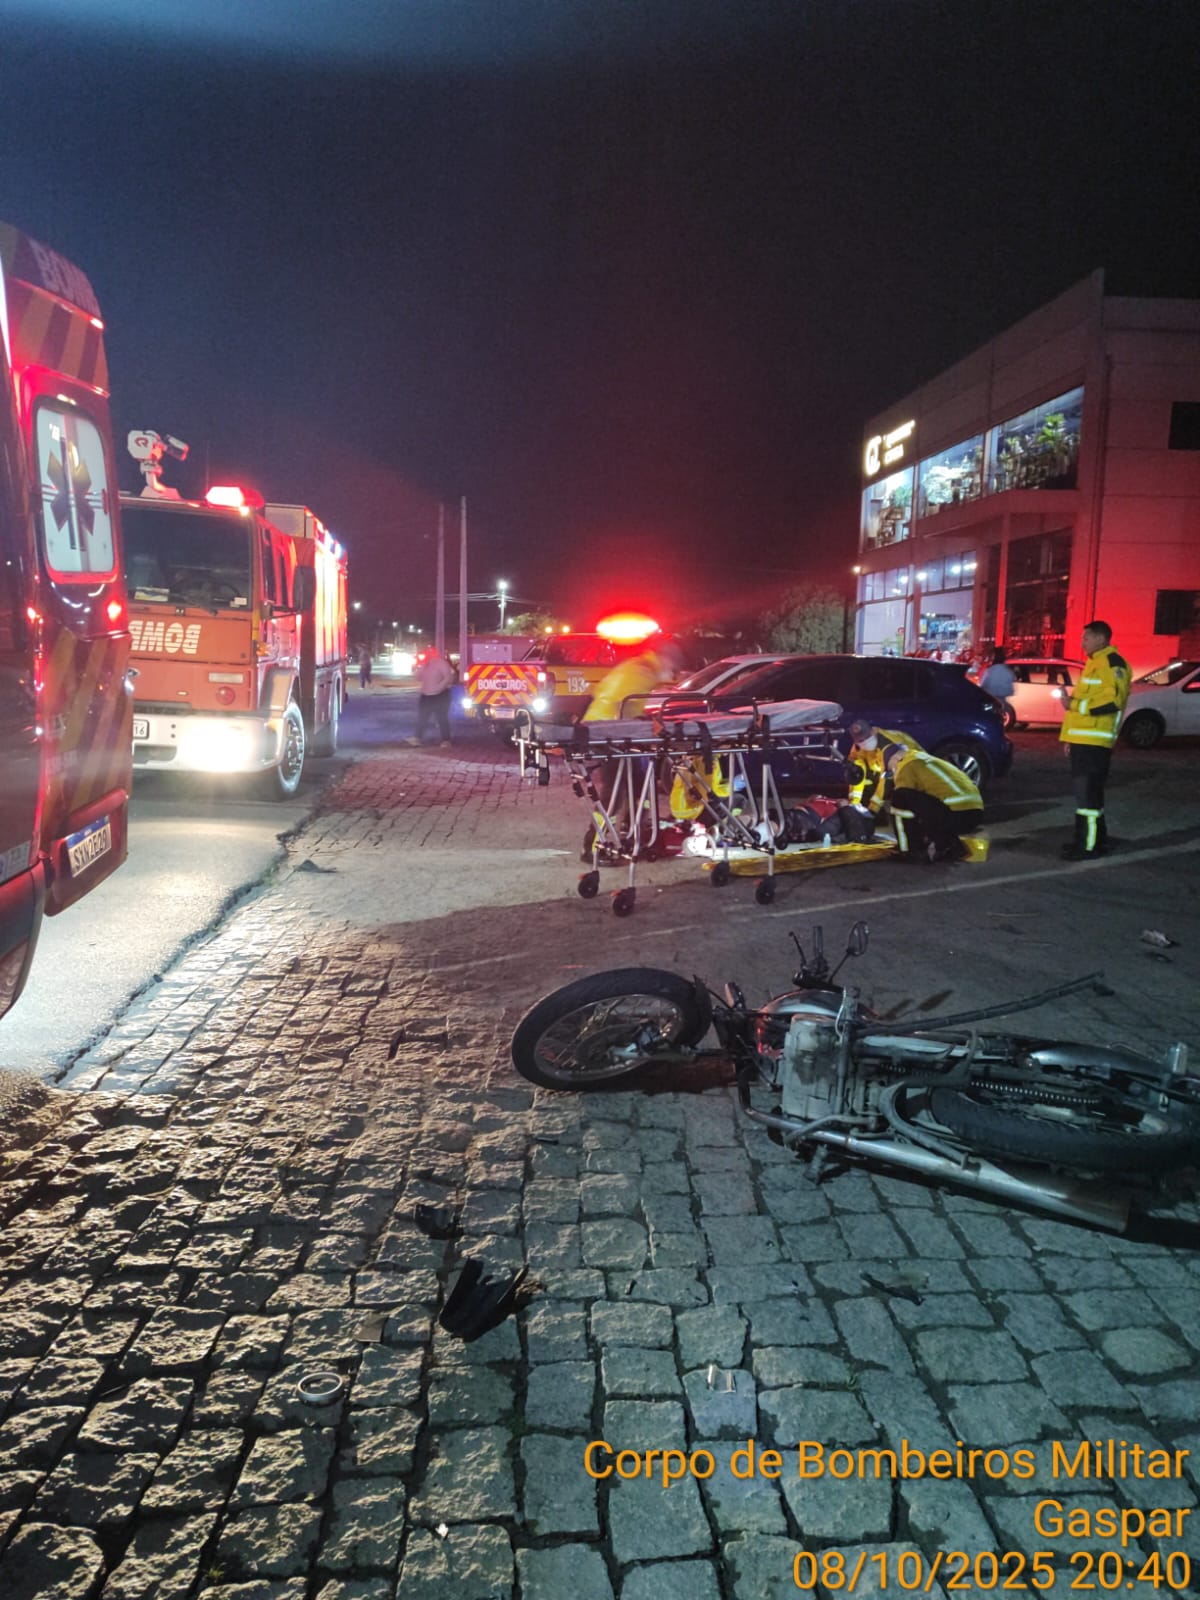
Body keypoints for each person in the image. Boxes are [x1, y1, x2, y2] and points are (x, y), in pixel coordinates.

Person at [1058, 619, 1130, 860]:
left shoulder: (1111, 664)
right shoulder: (1095, 663)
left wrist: (1075, 704)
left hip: (1094, 743)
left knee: (1087, 798)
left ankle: (1087, 847)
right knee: (1090, 798)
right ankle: (1094, 841)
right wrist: (1070, 739)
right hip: (1085, 741)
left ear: (1101, 639)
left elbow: (1112, 702)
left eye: (1086, 638)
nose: (1082, 642)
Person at [885, 744, 984, 862]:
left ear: (895, 759)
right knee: (922, 803)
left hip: (956, 814)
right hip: (974, 812)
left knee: (899, 796)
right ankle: (949, 845)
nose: (893, 773)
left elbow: (904, 803)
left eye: (891, 768)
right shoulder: (924, 759)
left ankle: (911, 850)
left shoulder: (906, 766)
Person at [845, 718, 922, 819]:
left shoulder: (888, 744)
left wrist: (873, 809)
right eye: (860, 740)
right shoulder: (858, 748)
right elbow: (856, 774)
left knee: (900, 794)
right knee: (866, 782)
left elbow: (887, 778)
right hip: (886, 768)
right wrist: (854, 802)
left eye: (867, 737)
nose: (864, 742)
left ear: (873, 731)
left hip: (912, 768)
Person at [408, 646, 455, 748]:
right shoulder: (425, 665)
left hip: (440, 695)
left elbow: (448, 678)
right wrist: (420, 667)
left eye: (430, 652)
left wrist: (439, 688)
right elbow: (418, 677)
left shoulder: (441, 663)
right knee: (422, 717)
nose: (428, 654)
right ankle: (417, 738)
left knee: (441, 718)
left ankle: (446, 740)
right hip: (426, 695)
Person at [979, 647, 1015, 718]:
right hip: (1002, 700)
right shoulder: (1008, 671)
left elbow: (982, 684)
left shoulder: (989, 671)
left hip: (991, 699)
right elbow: (1011, 687)